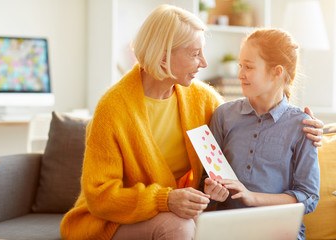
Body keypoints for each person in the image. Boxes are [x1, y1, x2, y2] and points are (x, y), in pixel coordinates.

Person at [60, 5, 323, 240]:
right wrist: (165, 200)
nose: (204, 63)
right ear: (163, 55)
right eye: (194, 53)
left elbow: (252, 123)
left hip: (185, 212)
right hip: (115, 218)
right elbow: (100, 196)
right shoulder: (114, 108)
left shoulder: (204, 99)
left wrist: (317, 131)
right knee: (182, 227)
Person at [204, 28, 320, 240]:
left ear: (277, 72)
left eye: (248, 67)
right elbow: (207, 182)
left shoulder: (303, 126)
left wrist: (252, 198)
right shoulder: (223, 116)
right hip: (227, 227)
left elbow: (309, 197)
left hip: (280, 230)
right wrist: (211, 193)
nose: (239, 74)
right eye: (240, 65)